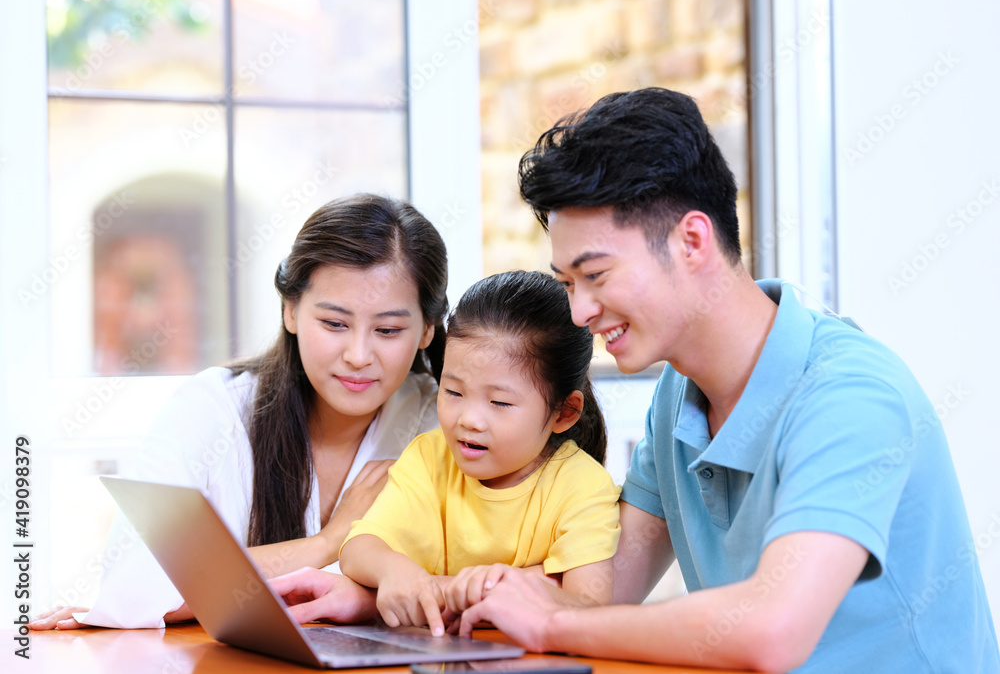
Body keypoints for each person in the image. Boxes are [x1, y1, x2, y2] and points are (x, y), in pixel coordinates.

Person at [272, 89, 999, 672]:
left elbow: (772, 632)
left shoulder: (848, 395)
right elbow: (598, 597)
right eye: (567, 281)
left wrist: (552, 621)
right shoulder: (677, 400)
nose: (580, 311)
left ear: (691, 241)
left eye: (595, 277)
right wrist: (384, 602)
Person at [30, 193, 449, 630]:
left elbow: (482, 582)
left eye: (388, 330)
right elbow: (135, 588)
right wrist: (328, 543)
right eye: (334, 324)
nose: (359, 355)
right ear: (290, 310)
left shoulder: (445, 426)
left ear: (426, 331)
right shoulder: (212, 410)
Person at [338, 270, 620, 637]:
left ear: (563, 412)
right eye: (453, 392)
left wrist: (488, 586)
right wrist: (393, 569)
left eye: (500, 402)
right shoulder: (429, 457)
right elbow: (357, 549)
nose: (468, 420)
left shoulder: (583, 486)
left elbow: (591, 605)